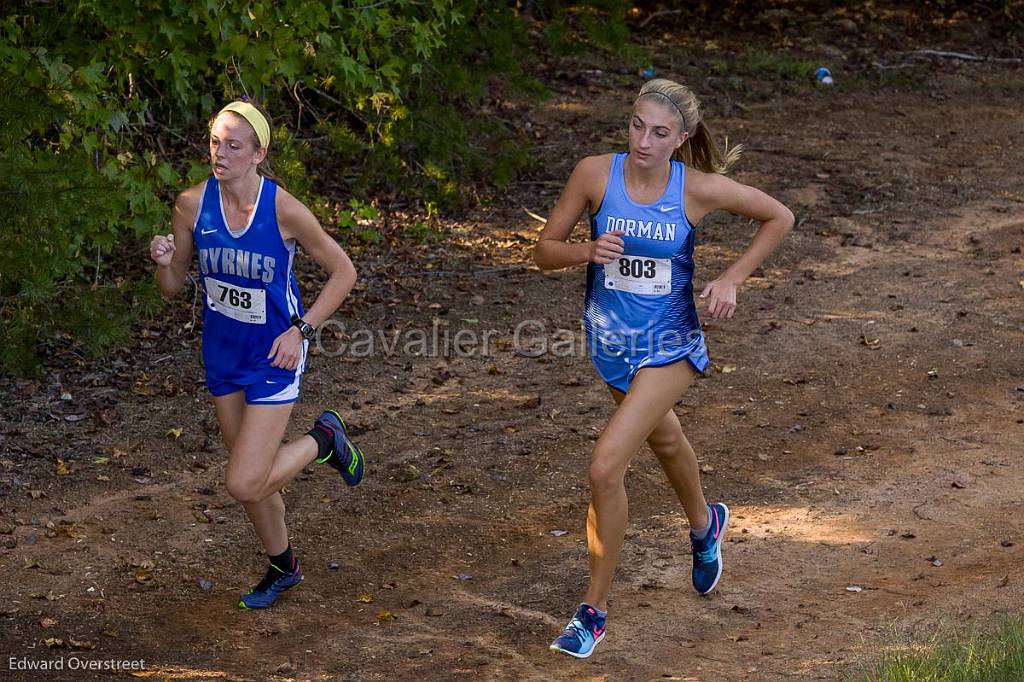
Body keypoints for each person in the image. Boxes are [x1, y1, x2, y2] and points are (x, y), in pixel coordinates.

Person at [533, 78, 793, 658]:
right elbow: (543, 249)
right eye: (636, 125)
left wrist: (731, 278)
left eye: (658, 133)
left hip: (672, 343)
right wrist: (585, 251)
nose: (643, 141)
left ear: (681, 139)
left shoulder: (696, 189)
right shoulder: (594, 175)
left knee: (604, 468)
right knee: (667, 442)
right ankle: (706, 525)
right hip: (610, 344)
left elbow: (780, 217)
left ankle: (592, 612)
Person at [149, 99, 366, 609]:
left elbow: (344, 271)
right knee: (255, 478)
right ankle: (282, 566)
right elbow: (173, 284)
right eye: (214, 142)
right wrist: (161, 261)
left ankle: (325, 439)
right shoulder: (190, 204)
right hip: (222, 355)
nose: (219, 153)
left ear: (259, 154)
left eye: (233, 145)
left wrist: (302, 330)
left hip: (275, 355)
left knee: (245, 480)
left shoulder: (282, 209)